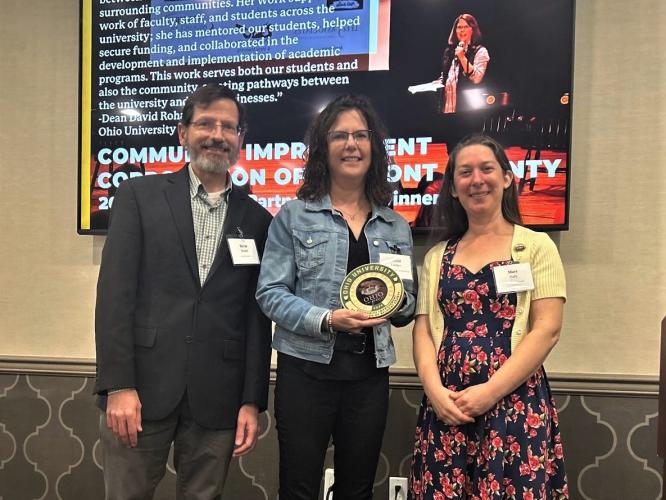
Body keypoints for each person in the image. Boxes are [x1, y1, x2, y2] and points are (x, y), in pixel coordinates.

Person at [94, 84, 273, 499]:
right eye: (205, 123)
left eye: (229, 127)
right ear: (182, 133)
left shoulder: (258, 218)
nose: (217, 134)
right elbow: (115, 297)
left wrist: (251, 401)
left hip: (219, 396)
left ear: (240, 140)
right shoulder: (139, 196)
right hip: (140, 392)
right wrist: (118, 384)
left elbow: (256, 317)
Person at [256, 95, 417, 500]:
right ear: (323, 150)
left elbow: (408, 304)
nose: (351, 144)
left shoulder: (396, 225)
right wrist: (327, 319)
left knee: (358, 489)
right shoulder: (293, 216)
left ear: (373, 148)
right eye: (340, 135)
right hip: (305, 375)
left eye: (361, 136)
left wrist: (396, 303)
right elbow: (270, 294)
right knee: (298, 488)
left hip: (368, 378)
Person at [409, 134, 568, 498]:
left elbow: (547, 330)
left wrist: (489, 393)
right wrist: (435, 392)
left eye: (486, 169)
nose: (476, 180)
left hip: (513, 404)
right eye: (464, 172)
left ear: (507, 178)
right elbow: (423, 330)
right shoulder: (437, 256)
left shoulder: (537, 247)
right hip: (447, 406)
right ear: (452, 188)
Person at [438, 13, 490, 114]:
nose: (462, 30)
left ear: (472, 29)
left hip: (468, 112)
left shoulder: (480, 51)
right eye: (459, 27)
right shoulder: (449, 52)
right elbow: (445, 78)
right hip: (446, 109)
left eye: (466, 27)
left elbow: (476, 78)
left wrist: (462, 57)